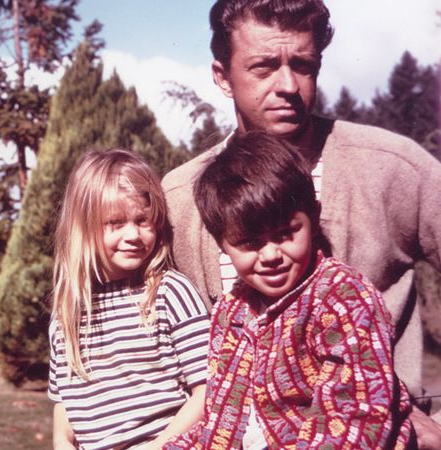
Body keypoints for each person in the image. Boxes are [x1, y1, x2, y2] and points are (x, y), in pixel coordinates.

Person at [161, 0, 441, 446]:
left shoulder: (391, 167)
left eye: (304, 65)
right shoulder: (181, 198)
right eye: (264, 67)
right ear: (222, 76)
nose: (289, 85)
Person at [165, 132, 414, 449]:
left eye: (284, 234)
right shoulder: (231, 312)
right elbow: (221, 423)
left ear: (313, 216)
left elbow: (354, 417)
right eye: (249, 243)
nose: (270, 256)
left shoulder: (343, 298)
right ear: (223, 244)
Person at [48, 149, 210, 450]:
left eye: (142, 220)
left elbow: (207, 391)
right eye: (116, 222)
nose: (133, 234)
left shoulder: (169, 292)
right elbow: (64, 400)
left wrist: (157, 446)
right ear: (83, 227)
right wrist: (61, 440)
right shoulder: (67, 311)